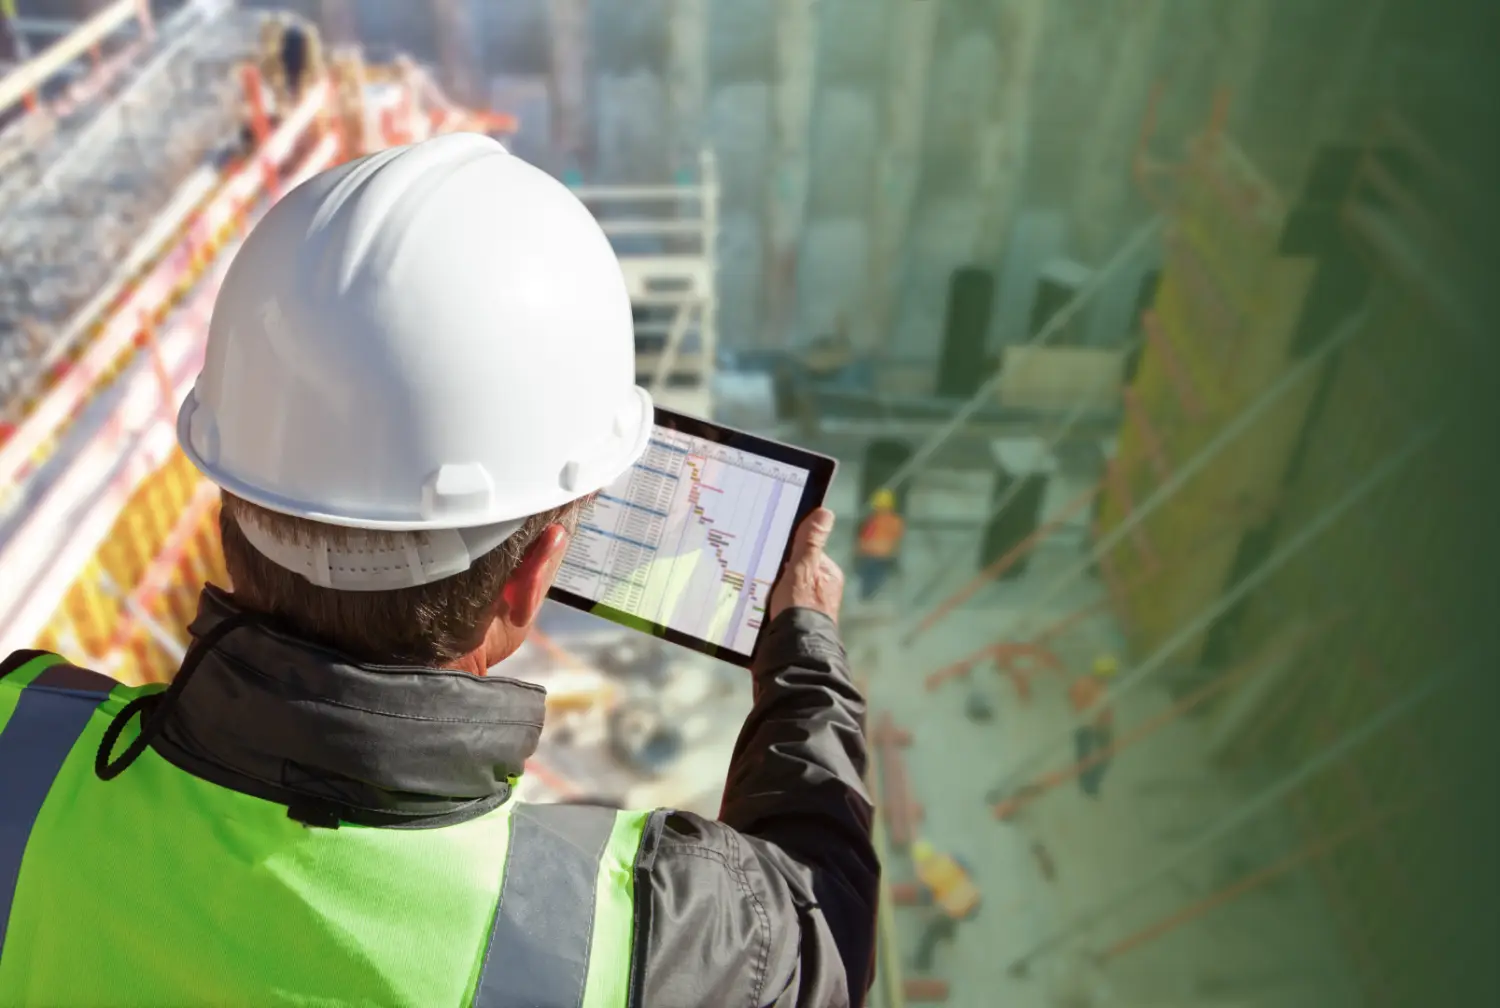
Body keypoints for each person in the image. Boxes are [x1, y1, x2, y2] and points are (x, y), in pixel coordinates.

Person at [0, 134, 877, 1007]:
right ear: (531, 574)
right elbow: (822, 924)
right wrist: (802, 655)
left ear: (231, 495)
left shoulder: (21, 737)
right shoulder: (641, 942)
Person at [909, 838, 980, 972]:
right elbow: (969, 869)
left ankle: (922, 964)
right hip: (972, 900)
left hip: (953, 907)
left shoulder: (927, 876)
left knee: (930, 934)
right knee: (951, 919)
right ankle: (949, 934)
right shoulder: (949, 858)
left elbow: (927, 900)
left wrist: (925, 913)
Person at [1071, 653, 1119, 798]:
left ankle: (1090, 784)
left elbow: (1107, 708)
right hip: (1085, 726)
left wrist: (1107, 721)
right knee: (1084, 757)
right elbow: (1078, 706)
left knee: (1105, 756)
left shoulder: (1104, 687)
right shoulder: (1084, 684)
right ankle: (1086, 785)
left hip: (1101, 727)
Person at [854, 488, 905, 601]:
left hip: (872, 556)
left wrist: (858, 550)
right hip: (881, 556)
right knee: (877, 582)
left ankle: (867, 601)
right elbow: (897, 540)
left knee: (869, 583)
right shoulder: (896, 521)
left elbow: (864, 538)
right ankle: (871, 601)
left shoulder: (874, 520)